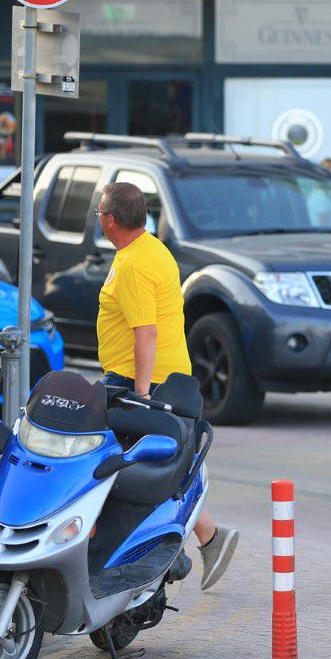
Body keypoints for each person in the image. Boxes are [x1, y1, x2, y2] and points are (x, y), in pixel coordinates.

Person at [95, 181, 239, 591]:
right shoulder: (153, 249)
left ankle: (167, 552)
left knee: (116, 471)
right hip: (167, 376)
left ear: (108, 220)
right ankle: (204, 537)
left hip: (138, 380)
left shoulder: (132, 264)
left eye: (99, 215)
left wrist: (140, 394)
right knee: (156, 473)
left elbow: (146, 333)